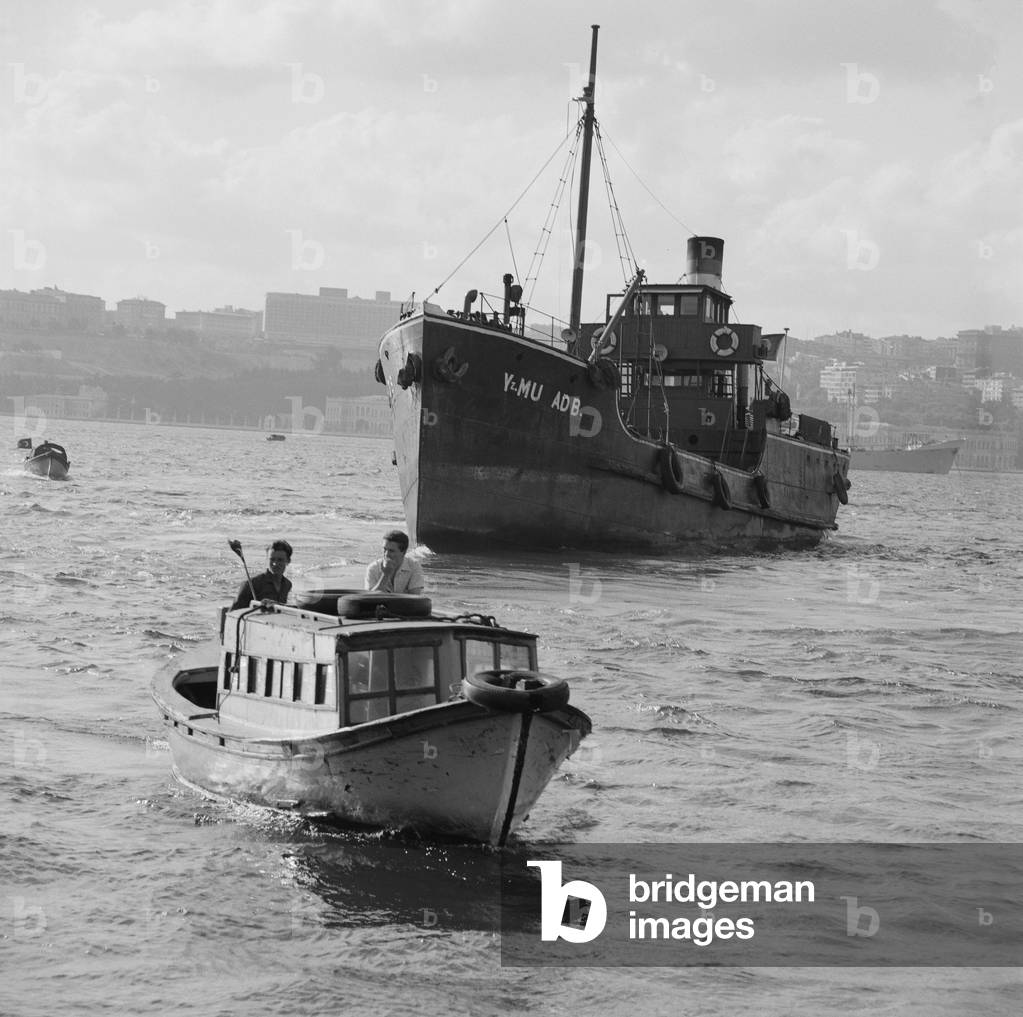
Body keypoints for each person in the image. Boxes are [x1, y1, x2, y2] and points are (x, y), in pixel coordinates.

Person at [231, 540, 293, 609]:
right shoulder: (251, 584)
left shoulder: (287, 585)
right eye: (272, 559)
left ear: (288, 561)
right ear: (267, 559)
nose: (275, 563)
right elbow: (232, 614)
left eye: (280, 560)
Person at [364, 530, 425, 595]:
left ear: (403, 552)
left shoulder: (414, 566)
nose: (386, 554)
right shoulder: (373, 568)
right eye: (385, 549)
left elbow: (415, 598)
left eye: (391, 551)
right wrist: (385, 575)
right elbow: (369, 599)